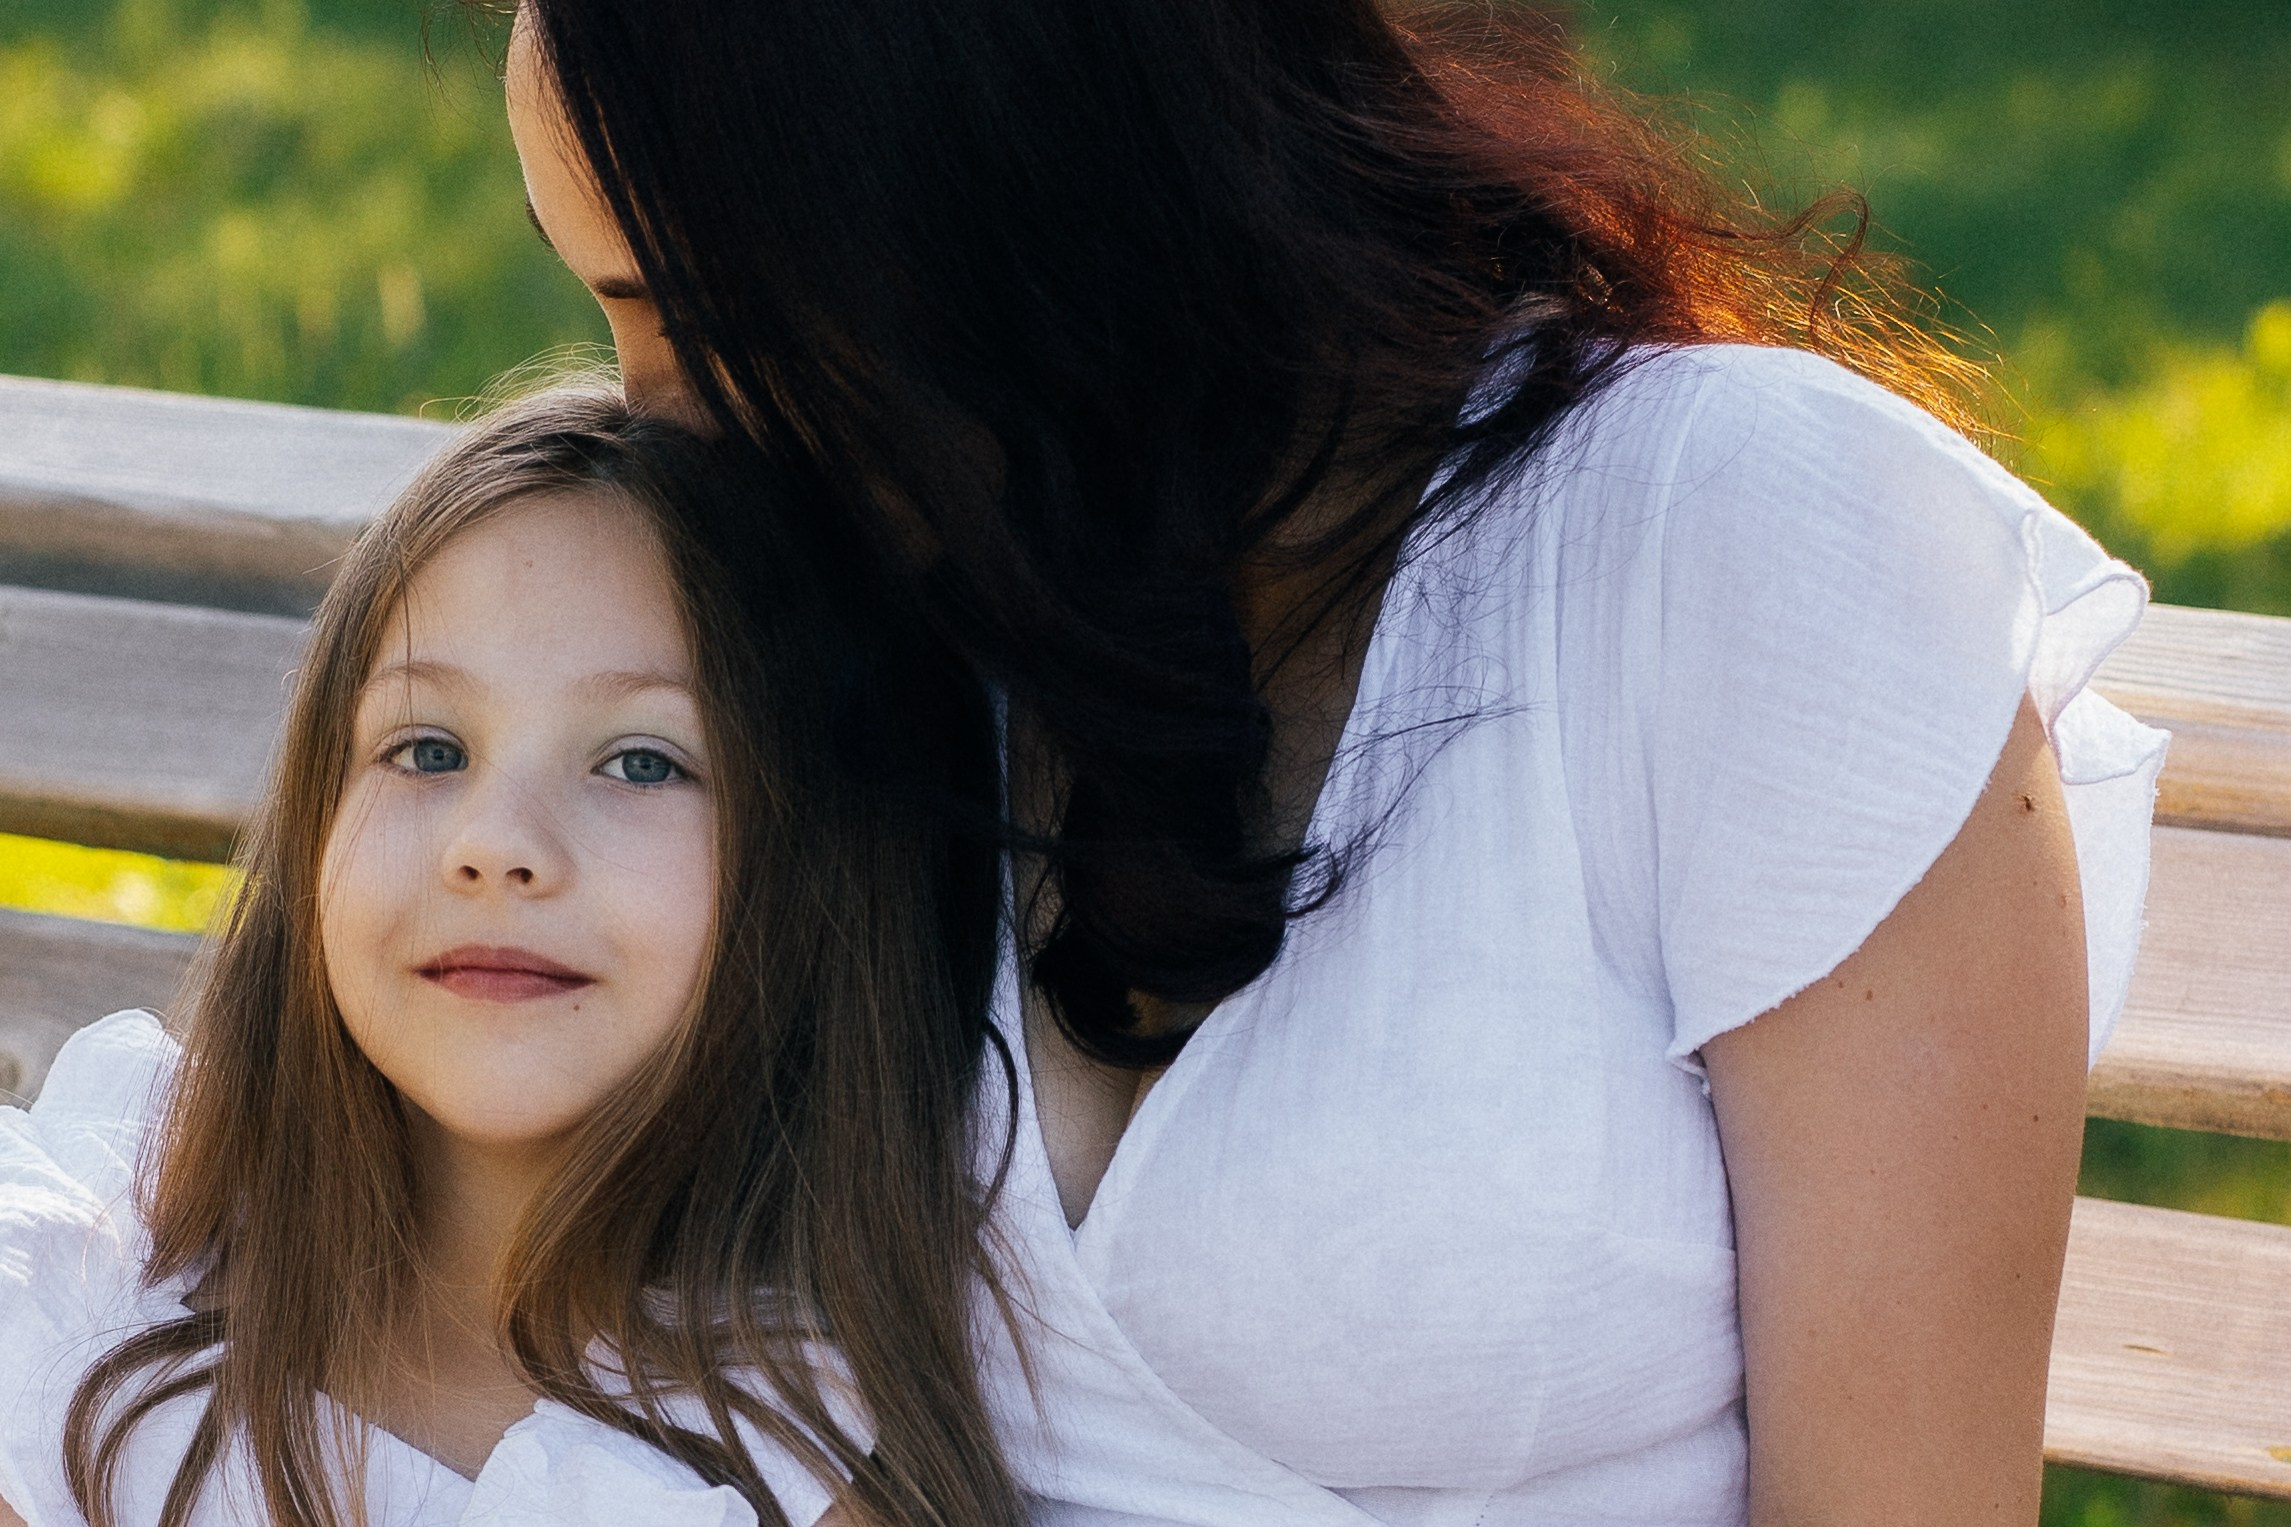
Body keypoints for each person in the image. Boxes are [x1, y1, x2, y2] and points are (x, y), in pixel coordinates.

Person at [503, 3, 2174, 1525]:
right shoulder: (850, 598)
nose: (652, 421)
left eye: (696, 319)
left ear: (1008, 195)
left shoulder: (1741, 546)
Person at [0, 385, 1006, 1527]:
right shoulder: (82, 1297)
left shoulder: (801, 1463)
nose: (495, 846)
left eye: (641, 762)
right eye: (427, 749)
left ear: (816, 865)